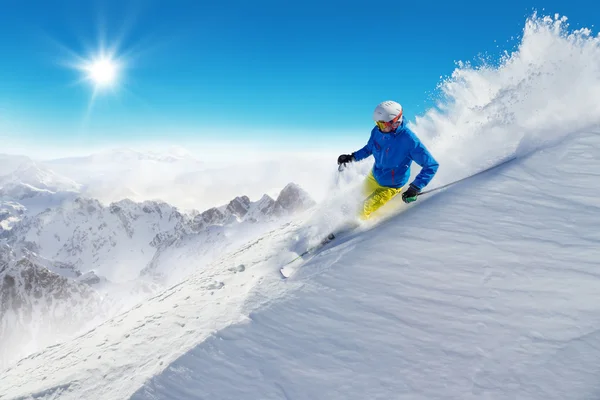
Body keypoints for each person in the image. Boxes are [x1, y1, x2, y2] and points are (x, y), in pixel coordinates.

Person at [337, 100, 439, 219]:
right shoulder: (377, 131)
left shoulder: (409, 140)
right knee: (354, 199)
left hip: (390, 186)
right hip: (374, 176)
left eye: (382, 124)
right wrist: (352, 157)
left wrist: (415, 187)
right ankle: (338, 219)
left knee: (361, 210)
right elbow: (369, 148)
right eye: (377, 123)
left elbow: (431, 165)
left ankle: (344, 233)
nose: (379, 127)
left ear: (395, 122)